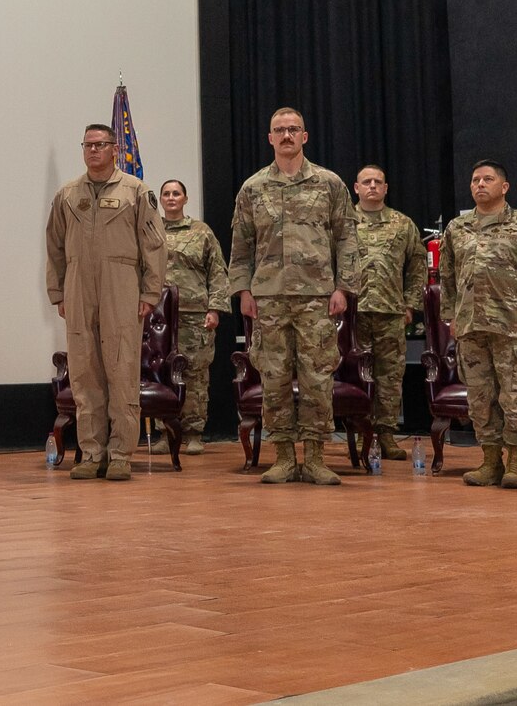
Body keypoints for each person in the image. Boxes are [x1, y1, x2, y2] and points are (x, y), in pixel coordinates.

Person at [228, 108, 356, 486]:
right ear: (269, 138)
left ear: (305, 136)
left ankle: (316, 457)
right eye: (279, 130)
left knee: (317, 377)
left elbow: (348, 237)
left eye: (293, 129)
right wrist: (243, 290)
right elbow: (241, 245)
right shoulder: (252, 188)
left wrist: (343, 287)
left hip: (317, 296)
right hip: (268, 297)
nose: (286, 135)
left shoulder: (329, 184)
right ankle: (283, 457)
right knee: (274, 377)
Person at [45, 123, 166, 480]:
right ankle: (91, 453)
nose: (93, 150)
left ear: (115, 148)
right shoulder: (67, 194)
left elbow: (155, 247)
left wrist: (149, 293)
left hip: (122, 288)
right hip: (79, 289)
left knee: (121, 371)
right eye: (88, 145)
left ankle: (120, 455)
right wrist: (58, 293)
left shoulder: (136, 192)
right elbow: (54, 248)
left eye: (100, 144)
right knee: (84, 374)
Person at [438, 160, 517, 489]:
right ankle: (490, 461)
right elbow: (446, 277)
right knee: (480, 398)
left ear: (504, 187)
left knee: (515, 396)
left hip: (512, 326)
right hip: (471, 328)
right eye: (475, 179)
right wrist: (450, 316)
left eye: (488, 179)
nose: (480, 184)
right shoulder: (457, 228)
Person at [351, 164, 426, 460]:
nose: (372, 186)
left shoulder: (402, 224)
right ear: (356, 188)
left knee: (390, 376)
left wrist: (410, 305)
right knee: (357, 374)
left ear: (385, 188)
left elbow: (417, 267)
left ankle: (385, 435)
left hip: (391, 311)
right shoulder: (342, 223)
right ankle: (359, 436)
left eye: (377, 182)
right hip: (352, 313)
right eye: (366, 182)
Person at [156, 179, 225, 455]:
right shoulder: (151, 231)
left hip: (195, 315)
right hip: (159, 318)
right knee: (164, 375)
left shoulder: (201, 232)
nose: (171, 198)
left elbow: (218, 271)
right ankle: (167, 433)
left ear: (185, 199)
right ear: (161, 200)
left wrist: (215, 309)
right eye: (166, 194)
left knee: (195, 375)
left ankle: (195, 432)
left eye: (176, 193)